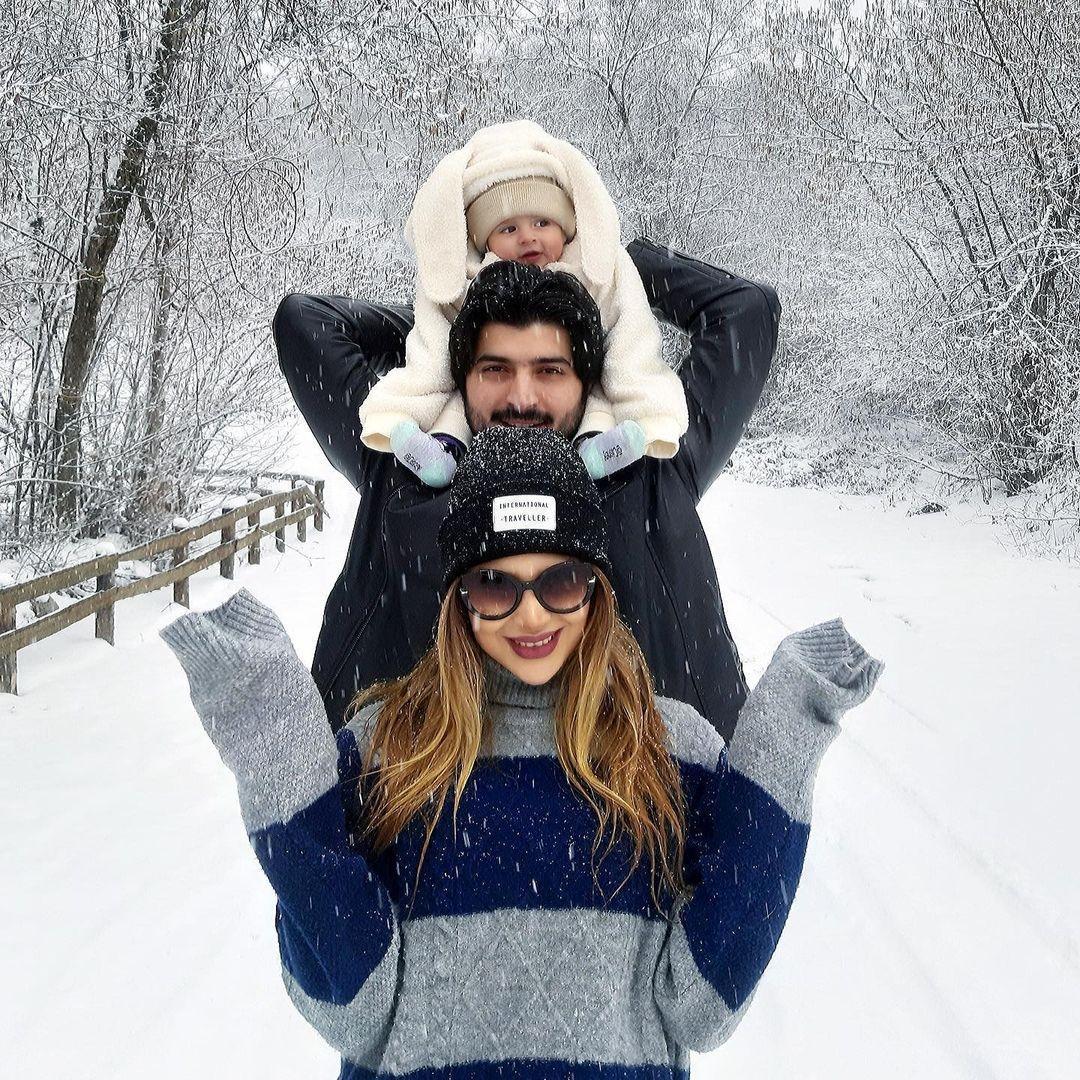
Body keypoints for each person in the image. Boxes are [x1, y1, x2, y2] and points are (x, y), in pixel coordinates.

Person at [160, 426, 883, 1079]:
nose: (531, 613)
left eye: (560, 579)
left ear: (597, 589)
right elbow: (350, 1008)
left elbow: (704, 1008)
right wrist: (271, 745)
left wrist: (792, 726)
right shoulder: (386, 749)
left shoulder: (671, 750)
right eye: (494, 583)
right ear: (458, 597)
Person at [274, 240, 780, 742]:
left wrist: (612, 269)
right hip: (403, 784)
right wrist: (441, 328)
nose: (521, 397)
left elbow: (746, 311)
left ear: (588, 382)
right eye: (494, 369)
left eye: (549, 370)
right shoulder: (402, 465)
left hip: (664, 781)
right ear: (460, 379)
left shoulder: (653, 461)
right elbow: (306, 323)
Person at [356, 120, 690, 485]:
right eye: (508, 229)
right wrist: (400, 405)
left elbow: (631, 336)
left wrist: (648, 407)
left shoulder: (596, 269)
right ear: (482, 240)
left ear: (567, 225)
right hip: (475, 406)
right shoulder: (463, 280)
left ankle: (594, 448)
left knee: (598, 387)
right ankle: (444, 451)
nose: (528, 238)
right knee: (457, 393)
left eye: (543, 222)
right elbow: (431, 348)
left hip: (586, 380)